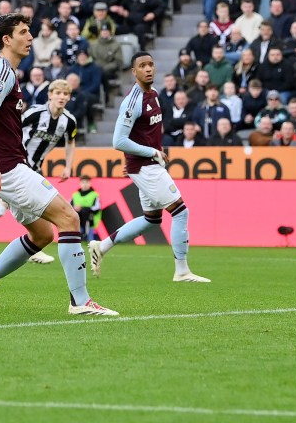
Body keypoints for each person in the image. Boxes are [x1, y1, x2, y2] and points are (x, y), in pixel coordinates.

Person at [0, 14, 117, 316]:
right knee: (70, 219)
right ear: (7, 40)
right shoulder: (2, 72)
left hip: (11, 167)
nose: (30, 37)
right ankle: (81, 302)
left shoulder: (6, 72)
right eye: (23, 32)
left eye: (30, 31)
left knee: (43, 235)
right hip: (9, 168)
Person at [88, 52, 210, 282]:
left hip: (147, 165)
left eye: (151, 65)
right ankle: (182, 271)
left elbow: (146, 134)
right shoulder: (132, 101)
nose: (148, 69)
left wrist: (142, 157)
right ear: (134, 72)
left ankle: (101, 247)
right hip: (146, 166)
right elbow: (118, 141)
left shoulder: (153, 95)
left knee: (150, 219)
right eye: (142, 66)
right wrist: (150, 154)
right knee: (181, 211)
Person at [0, 78, 80, 265]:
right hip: (17, 168)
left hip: (35, 170)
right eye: (58, 93)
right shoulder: (35, 113)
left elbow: (71, 141)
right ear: (50, 95)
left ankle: (34, 244)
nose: (62, 97)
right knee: (5, 208)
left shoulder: (69, 121)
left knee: (3, 209)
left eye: (65, 94)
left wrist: (68, 166)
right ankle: (34, 244)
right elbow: (13, 129)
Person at [72, 175, 101, 241]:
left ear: (90, 183)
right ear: (80, 183)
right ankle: (77, 239)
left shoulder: (94, 195)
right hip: (78, 219)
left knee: (88, 219)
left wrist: (82, 208)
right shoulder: (75, 195)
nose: (85, 184)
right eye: (83, 182)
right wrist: (75, 208)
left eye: (87, 182)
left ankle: (90, 240)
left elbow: (96, 208)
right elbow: (69, 207)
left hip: (90, 219)